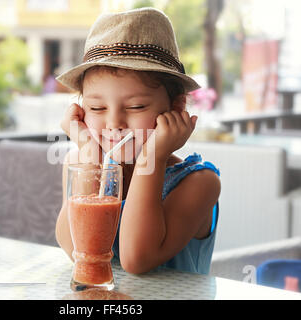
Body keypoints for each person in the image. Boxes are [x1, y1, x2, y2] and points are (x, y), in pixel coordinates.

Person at [55, 7, 221, 275]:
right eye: (97, 108)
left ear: (176, 108)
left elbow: (137, 260)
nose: (113, 124)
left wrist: (151, 157)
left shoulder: (199, 183)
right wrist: (89, 156)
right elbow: (77, 250)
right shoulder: (81, 162)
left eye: (136, 107)